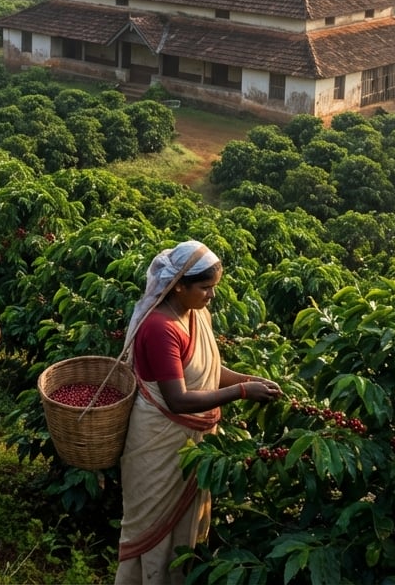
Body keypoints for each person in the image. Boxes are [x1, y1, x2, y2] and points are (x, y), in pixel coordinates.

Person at [114, 240, 282, 585]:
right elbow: (178, 399)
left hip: (188, 444)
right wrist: (241, 392)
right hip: (159, 440)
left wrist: (250, 380)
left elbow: (207, 370)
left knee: (179, 531)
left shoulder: (194, 314)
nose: (211, 296)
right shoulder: (160, 328)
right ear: (179, 285)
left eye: (213, 288)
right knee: (151, 528)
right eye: (205, 288)